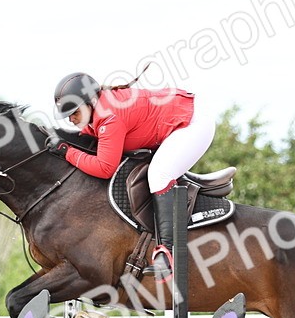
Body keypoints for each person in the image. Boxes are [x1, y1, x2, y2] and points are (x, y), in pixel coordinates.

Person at [49, 71, 215, 281]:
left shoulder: (110, 116)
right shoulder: (100, 109)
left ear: (90, 102)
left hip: (193, 124)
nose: (71, 119)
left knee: (159, 175)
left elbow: (105, 168)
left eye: (74, 112)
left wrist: (68, 153)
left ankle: (168, 253)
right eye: (68, 115)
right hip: (177, 116)